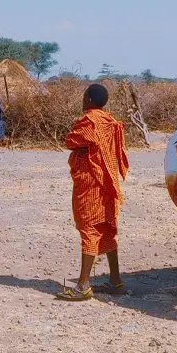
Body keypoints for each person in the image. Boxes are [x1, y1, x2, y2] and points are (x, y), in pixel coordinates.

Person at [56, 84, 130, 302]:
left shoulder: (89, 121)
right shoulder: (109, 120)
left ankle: (83, 285)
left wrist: (82, 148)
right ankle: (115, 280)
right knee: (106, 228)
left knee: (89, 229)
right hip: (107, 181)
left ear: (88, 99)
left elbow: (71, 140)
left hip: (91, 181)